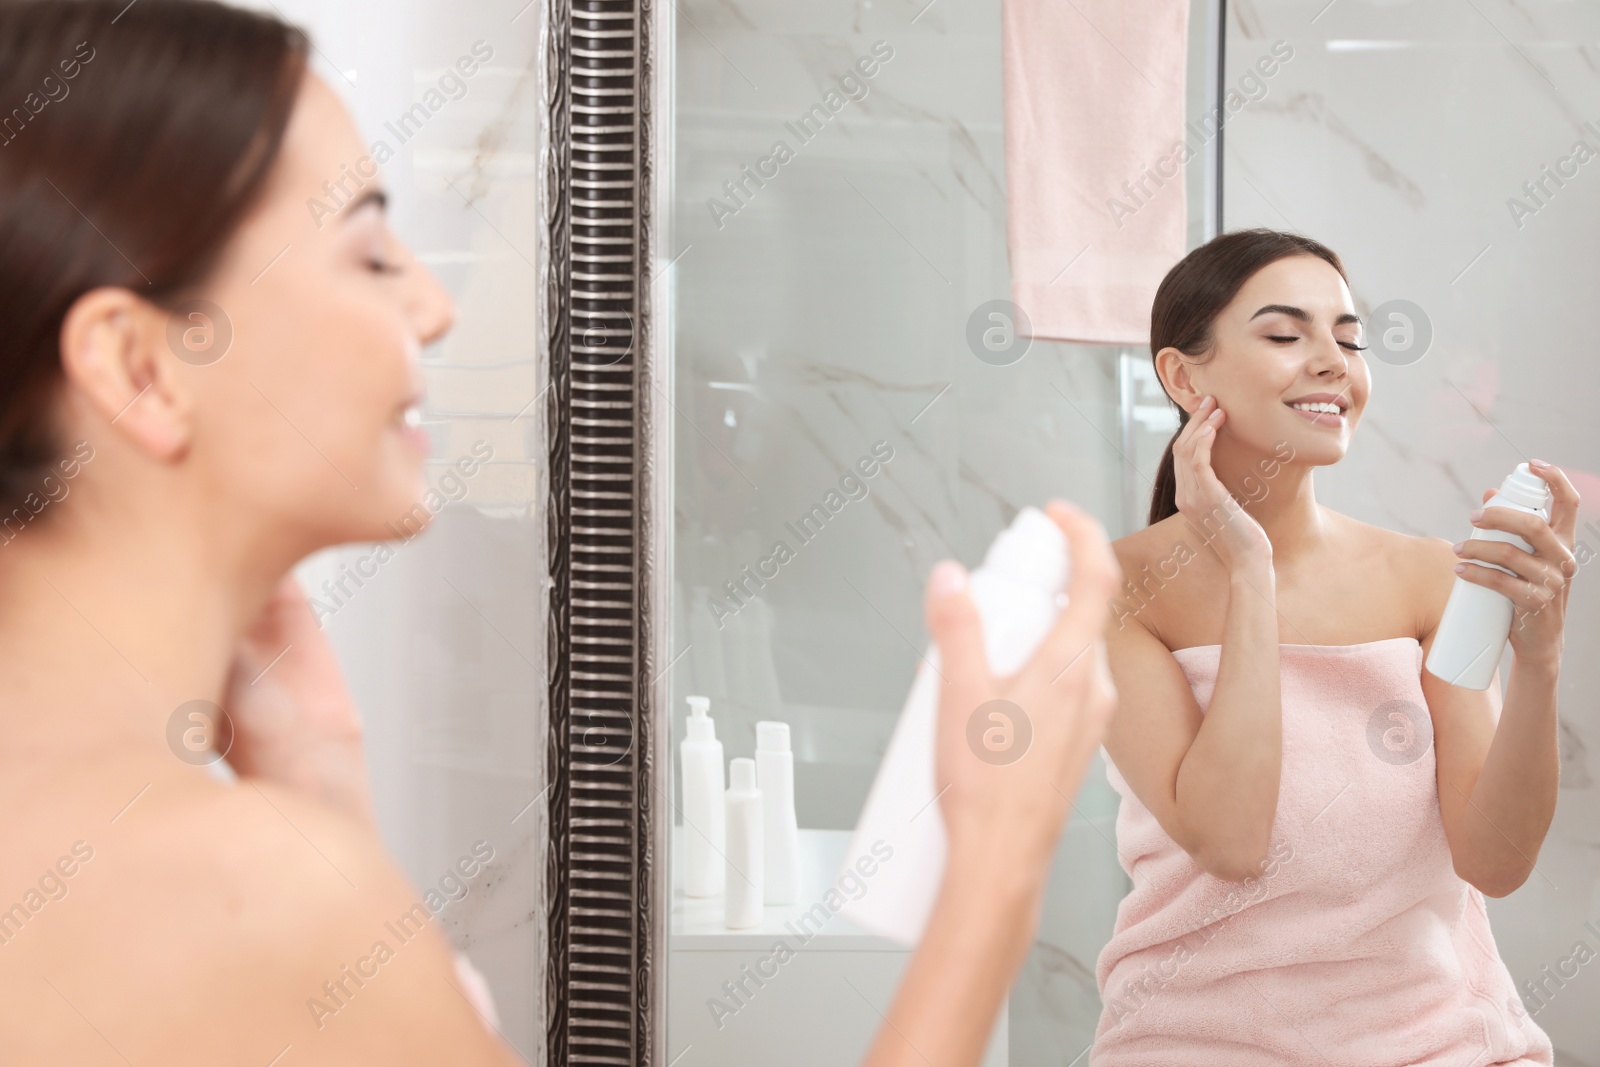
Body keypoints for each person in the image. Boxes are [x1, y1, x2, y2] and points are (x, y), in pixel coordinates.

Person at [0, 2, 1123, 1064]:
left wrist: (324, 791)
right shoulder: (234, 894)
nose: (435, 308)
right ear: (143, 366)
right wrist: (994, 868)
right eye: (372, 252)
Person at [1091, 229, 1577, 1064]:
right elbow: (1231, 841)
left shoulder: (1428, 576)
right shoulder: (1111, 590)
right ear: (1181, 374)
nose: (1331, 361)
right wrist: (1251, 570)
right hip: (1192, 1040)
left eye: (1348, 339)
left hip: (1437, 1041)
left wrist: (1539, 663)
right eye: (1286, 334)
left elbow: (1494, 862)